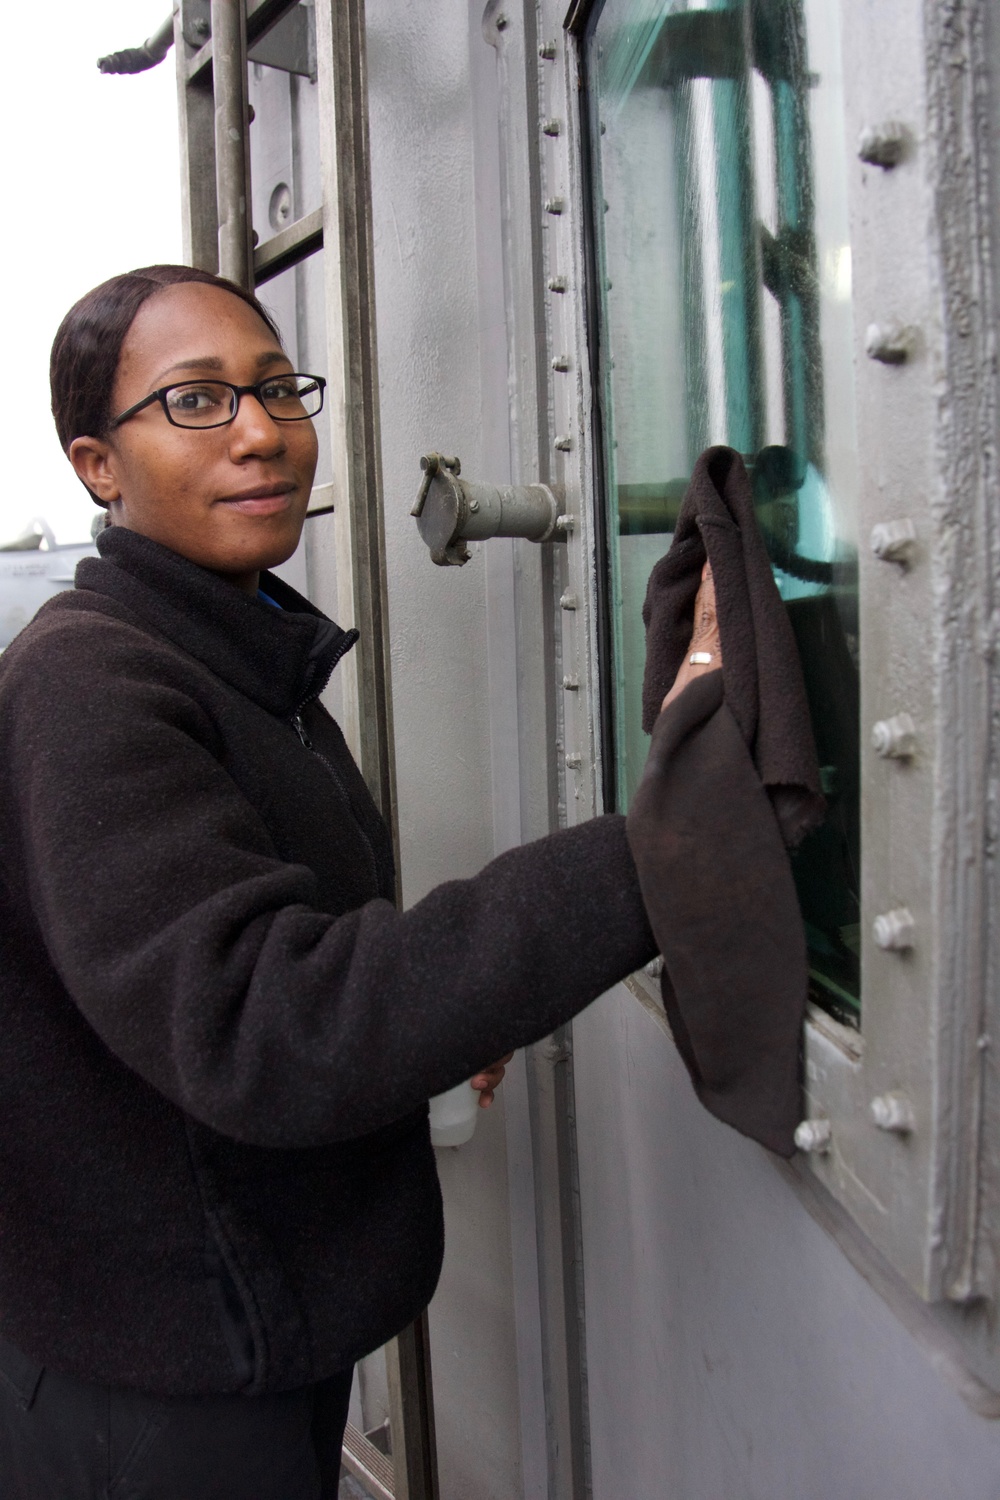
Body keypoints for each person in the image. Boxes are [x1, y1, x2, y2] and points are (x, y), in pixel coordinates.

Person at [0, 264, 721, 1499]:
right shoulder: (92, 686)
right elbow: (259, 1022)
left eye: (280, 388)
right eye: (194, 402)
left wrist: (427, 1031)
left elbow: (236, 964)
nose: (262, 431)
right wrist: (661, 842)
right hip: (168, 1380)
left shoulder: (228, 653)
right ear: (95, 465)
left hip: (220, 1331)